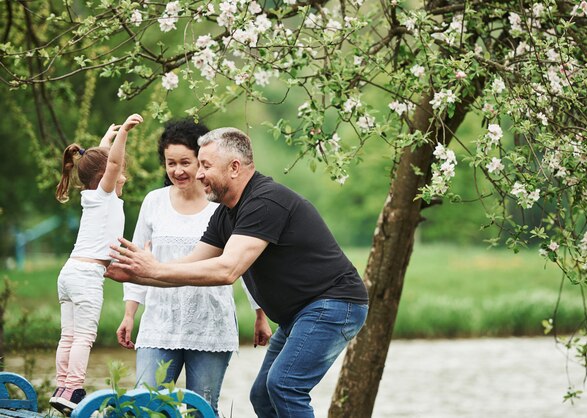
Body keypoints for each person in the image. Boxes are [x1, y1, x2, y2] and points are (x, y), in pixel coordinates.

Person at [107, 127, 369, 417]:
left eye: (205, 166)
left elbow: (227, 270)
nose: (199, 174)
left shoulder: (264, 202)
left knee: (284, 386)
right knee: (263, 396)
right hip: (301, 313)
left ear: (234, 167)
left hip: (334, 304)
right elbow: (192, 264)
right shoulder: (226, 212)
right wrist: (137, 274)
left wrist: (153, 269)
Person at [115, 119, 271, 415]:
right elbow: (137, 261)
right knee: (147, 407)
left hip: (210, 325)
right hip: (160, 322)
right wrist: (129, 313)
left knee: (202, 410)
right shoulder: (154, 202)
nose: (178, 171)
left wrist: (260, 314)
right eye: (170, 163)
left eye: (185, 162)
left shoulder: (222, 206)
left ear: (201, 162)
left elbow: (244, 264)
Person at [50, 113, 143, 415]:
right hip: (88, 274)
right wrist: (124, 134)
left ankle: (61, 386)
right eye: (120, 173)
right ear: (106, 177)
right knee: (84, 338)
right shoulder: (105, 195)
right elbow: (112, 164)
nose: (123, 177)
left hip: (69, 273)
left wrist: (107, 139)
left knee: (69, 336)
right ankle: (73, 388)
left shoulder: (91, 196)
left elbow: (103, 161)